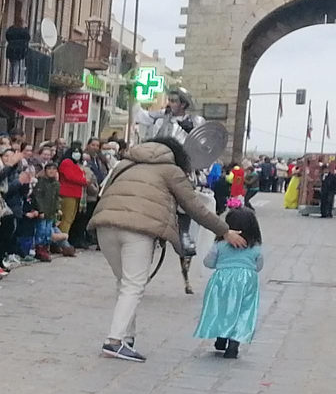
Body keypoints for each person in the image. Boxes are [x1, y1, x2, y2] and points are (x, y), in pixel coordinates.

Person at [88, 136, 244, 362]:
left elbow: (105, 192)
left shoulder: (124, 164)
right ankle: (114, 341)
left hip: (104, 224)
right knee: (133, 284)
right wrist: (225, 230)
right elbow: (194, 207)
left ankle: (126, 337)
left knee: (124, 282)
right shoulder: (171, 171)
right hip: (139, 228)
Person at [195, 205, 262, 360]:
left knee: (222, 308)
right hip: (247, 280)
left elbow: (208, 262)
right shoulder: (256, 248)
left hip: (222, 280)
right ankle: (233, 345)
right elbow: (258, 266)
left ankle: (221, 337)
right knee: (243, 311)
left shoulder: (219, 245)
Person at [3, 20, 30, 87]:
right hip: (18, 50)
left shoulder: (10, 29)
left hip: (11, 49)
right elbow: (28, 37)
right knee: (17, 65)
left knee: (12, 65)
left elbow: (7, 36)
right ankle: (14, 81)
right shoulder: (22, 31)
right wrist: (26, 28)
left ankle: (11, 80)